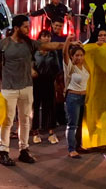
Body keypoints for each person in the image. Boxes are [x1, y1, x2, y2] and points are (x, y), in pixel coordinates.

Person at [0, 15, 77, 166]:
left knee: (25, 120)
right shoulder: (4, 44)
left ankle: (24, 150)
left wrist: (69, 43)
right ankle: (3, 151)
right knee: (7, 121)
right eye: (25, 27)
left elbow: (51, 46)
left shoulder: (30, 43)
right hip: (9, 88)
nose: (28, 29)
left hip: (27, 87)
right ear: (16, 28)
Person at [62, 35, 89, 159]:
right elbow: (64, 53)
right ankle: (71, 149)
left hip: (83, 98)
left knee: (80, 124)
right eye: (76, 55)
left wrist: (82, 46)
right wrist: (68, 41)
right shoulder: (70, 67)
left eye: (81, 55)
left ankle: (79, 145)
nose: (79, 57)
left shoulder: (84, 67)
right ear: (72, 57)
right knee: (72, 124)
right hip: (73, 98)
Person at [31, 30, 59, 146]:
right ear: (40, 38)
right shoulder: (34, 51)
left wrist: (55, 81)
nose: (46, 39)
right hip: (36, 82)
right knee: (36, 107)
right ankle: (35, 132)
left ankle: (51, 132)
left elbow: (57, 68)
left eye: (48, 37)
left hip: (49, 81)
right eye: (44, 36)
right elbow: (30, 64)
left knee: (50, 107)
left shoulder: (53, 52)